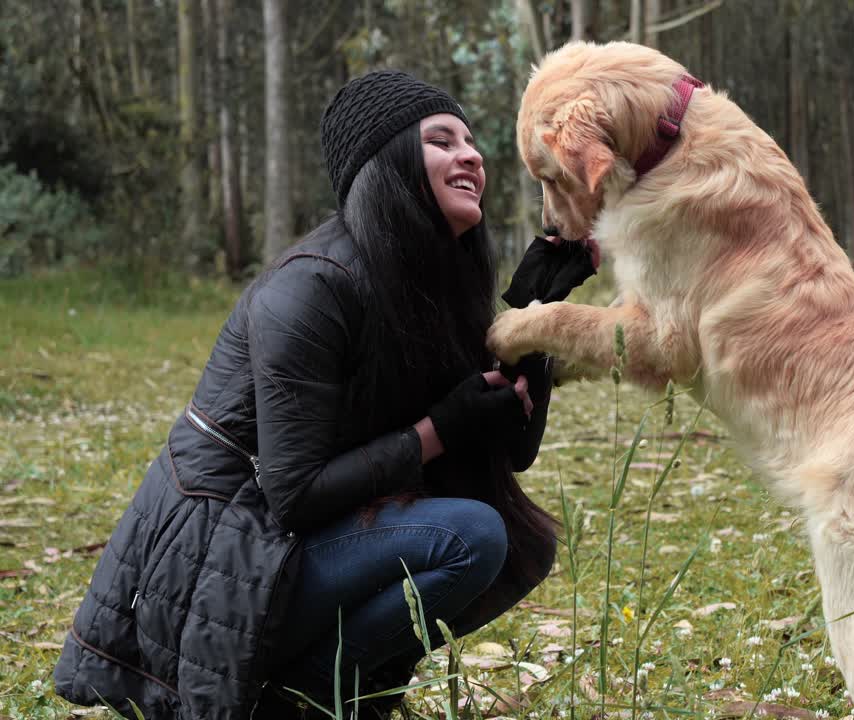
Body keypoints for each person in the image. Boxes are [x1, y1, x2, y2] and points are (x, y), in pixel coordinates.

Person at [53, 70, 597, 719]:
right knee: (470, 536)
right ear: (386, 164)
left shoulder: (422, 282)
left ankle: (329, 697)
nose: (471, 155)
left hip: (285, 553)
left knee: (514, 535)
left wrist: (533, 311)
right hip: (222, 562)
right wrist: (438, 430)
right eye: (442, 140)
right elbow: (292, 494)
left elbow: (513, 451)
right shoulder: (311, 287)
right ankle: (296, 703)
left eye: (472, 142)